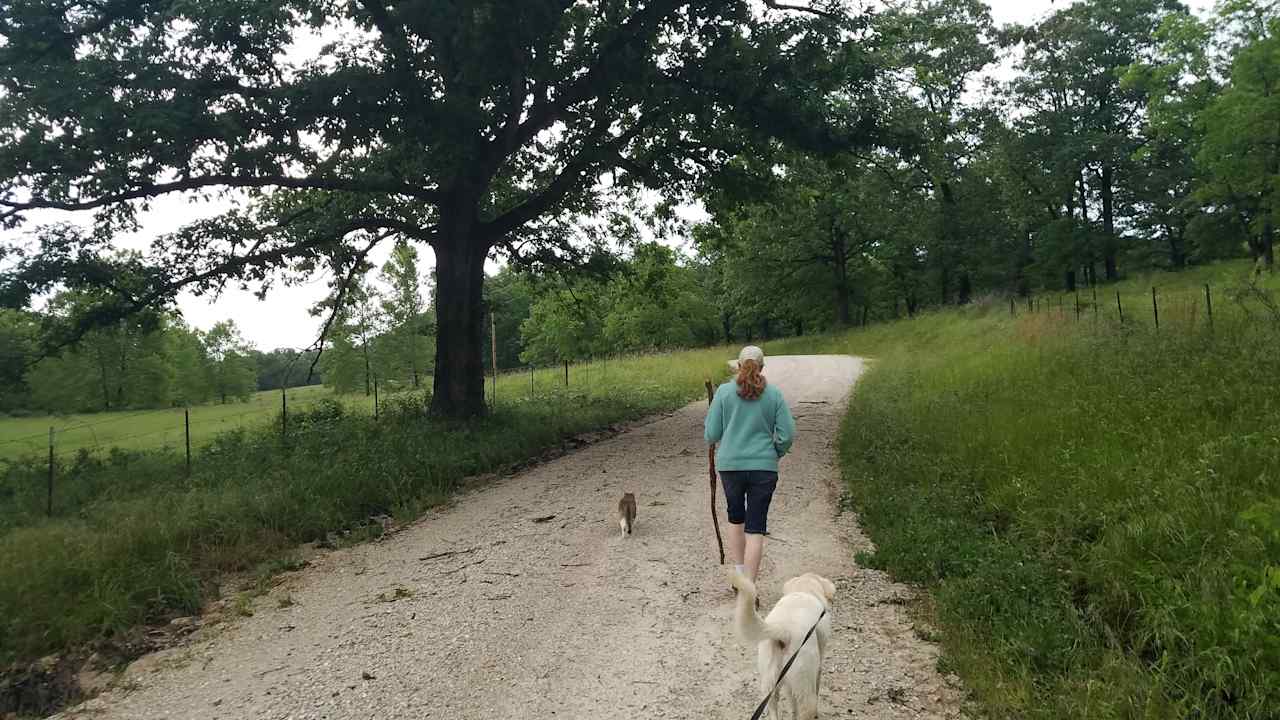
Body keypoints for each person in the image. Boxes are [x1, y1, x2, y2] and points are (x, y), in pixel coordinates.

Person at [704, 345, 796, 584]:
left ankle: (739, 575)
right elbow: (787, 434)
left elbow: (711, 434)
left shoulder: (724, 393)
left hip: (731, 467)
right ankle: (750, 587)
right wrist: (774, 452)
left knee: (736, 519)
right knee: (756, 527)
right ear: (762, 367)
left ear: (738, 366)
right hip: (764, 468)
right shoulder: (774, 394)